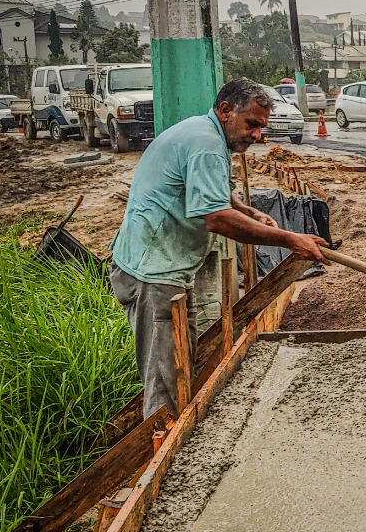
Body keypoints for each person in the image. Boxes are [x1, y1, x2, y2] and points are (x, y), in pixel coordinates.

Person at [110, 78, 328, 419]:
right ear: (225, 110)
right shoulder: (206, 144)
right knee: (165, 376)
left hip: (166, 265)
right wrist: (289, 239)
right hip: (153, 273)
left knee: (183, 360)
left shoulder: (203, 133)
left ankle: (179, 422)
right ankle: (163, 447)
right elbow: (216, 219)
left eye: (261, 128)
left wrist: (248, 210)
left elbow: (210, 191)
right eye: (252, 124)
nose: (257, 136)